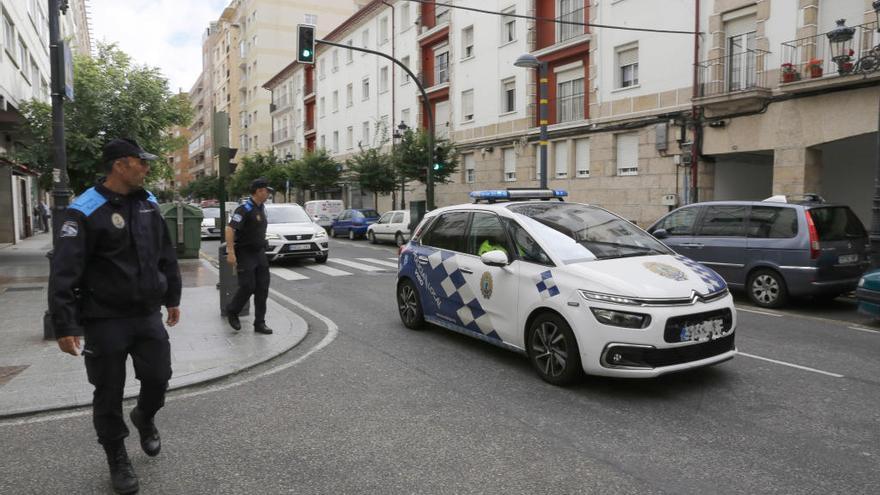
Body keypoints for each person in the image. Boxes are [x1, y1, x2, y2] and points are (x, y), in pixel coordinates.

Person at [49, 138, 181, 495]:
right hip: (104, 319)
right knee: (108, 391)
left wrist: (172, 297)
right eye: (142, 162)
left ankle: (144, 416)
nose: (147, 167)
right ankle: (116, 457)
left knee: (159, 378)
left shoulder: (149, 203)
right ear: (121, 165)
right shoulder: (84, 210)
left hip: (146, 314)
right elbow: (64, 271)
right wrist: (65, 323)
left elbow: (164, 253)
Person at [224, 178, 273, 335]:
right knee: (248, 286)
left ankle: (260, 323)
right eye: (266, 190)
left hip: (259, 253)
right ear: (259, 191)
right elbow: (230, 229)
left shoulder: (262, 207)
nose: (268, 193)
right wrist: (231, 253)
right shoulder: (244, 209)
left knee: (262, 289)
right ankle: (232, 310)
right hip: (245, 253)